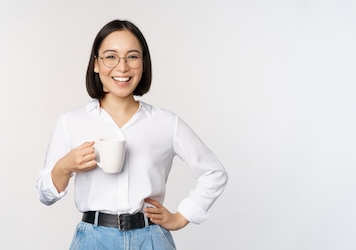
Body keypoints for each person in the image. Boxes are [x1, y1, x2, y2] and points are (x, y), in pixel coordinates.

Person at [37, 19, 228, 250]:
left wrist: (182, 216)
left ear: (143, 64)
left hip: (152, 239)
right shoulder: (71, 121)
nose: (122, 67)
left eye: (132, 56)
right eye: (110, 56)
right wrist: (65, 166)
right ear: (96, 63)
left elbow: (213, 172)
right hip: (93, 241)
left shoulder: (166, 123)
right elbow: (46, 195)